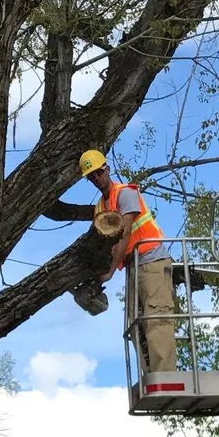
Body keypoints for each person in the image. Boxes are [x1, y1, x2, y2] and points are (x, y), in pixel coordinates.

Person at [79, 149, 178, 373]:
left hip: (152, 260)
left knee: (157, 317)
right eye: (91, 176)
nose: (96, 178)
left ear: (107, 168)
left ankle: (166, 377)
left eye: (98, 172)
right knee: (134, 325)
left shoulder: (126, 194)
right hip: (133, 266)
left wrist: (111, 271)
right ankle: (150, 376)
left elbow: (124, 234)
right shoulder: (99, 208)